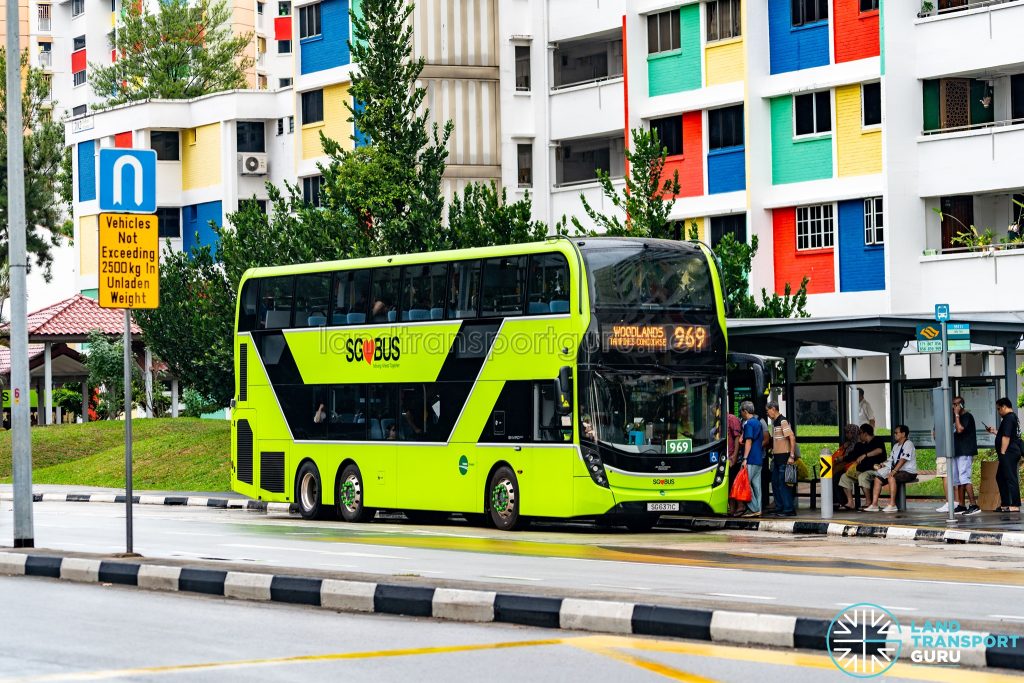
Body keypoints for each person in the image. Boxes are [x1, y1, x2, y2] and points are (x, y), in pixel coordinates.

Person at [863, 424, 918, 512]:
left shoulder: (908, 444)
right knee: (878, 479)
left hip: (909, 472)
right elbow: (890, 460)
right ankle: (874, 505)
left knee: (891, 477)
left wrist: (894, 471)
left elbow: (903, 460)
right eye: (894, 433)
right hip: (898, 471)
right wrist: (882, 465)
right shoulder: (896, 446)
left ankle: (892, 504)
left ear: (903, 434)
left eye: (896, 433)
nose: (894, 434)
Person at [837, 424, 887, 510]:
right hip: (862, 469)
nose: (859, 435)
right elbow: (852, 456)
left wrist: (865, 455)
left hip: (876, 470)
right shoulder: (860, 445)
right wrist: (841, 458)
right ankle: (850, 502)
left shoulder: (877, 440)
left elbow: (879, 450)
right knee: (844, 477)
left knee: (863, 476)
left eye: (860, 433)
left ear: (865, 433)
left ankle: (869, 502)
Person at [987, 397, 1022, 513]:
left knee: (1011, 477)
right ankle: (1005, 503)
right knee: (1000, 477)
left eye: (998, 409)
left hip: (1008, 453)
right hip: (1010, 452)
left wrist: (1002, 452)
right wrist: (994, 431)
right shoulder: (1013, 418)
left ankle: (1015, 505)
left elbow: (1006, 437)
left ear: (1004, 407)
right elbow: (1005, 434)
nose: (998, 412)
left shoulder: (1008, 418)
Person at [765, 401, 796, 517]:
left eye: (767, 411)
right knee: (775, 483)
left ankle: (788, 509)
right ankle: (780, 507)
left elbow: (791, 437)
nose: (767, 414)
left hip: (784, 458)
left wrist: (791, 456)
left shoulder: (782, 421)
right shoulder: (775, 423)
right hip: (777, 459)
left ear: (773, 409)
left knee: (784, 485)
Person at [952, 396, 981, 515]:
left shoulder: (967, 416)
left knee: (964, 477)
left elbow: (959, 430)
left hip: (965, 451)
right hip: (957, 451)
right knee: (958, 480)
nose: (954, 407)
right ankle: (961, 505)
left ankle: (974, 505)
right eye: (953, 404)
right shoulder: (955, 417)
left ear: (961, 405)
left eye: (956, 404)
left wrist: (957, 414)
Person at [739, 401, 764, 518]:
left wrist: (744, 458)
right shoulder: (758, 423)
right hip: (759, 458)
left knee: (745, 484)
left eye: (741, 412)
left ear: (745, 411)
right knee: (757, 486)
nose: (741, 414)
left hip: (751, 458)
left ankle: (754, 508)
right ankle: (759, 508)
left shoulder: (748, 424)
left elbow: (748, 441)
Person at [830, 424, 861, 508]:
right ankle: (837, 501)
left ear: (853, 433)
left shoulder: (858, 444)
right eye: (846, 433)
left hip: (851, 467)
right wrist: (843, 447)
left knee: (837, 477)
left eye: (848, 433)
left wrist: (842, 458)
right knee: (834, 476)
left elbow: (852, 457)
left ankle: (843, 501)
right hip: (844, 466)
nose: (847, 435)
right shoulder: (848, 444)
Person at [725, 412, 744, 516]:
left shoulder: (731, 419)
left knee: (734, 483)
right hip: (724, 457)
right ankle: (732, 509)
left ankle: (740, 506)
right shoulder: (717, 420)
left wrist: (735, 456)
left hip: (732, 457)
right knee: (728, 485)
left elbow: (737, 437)